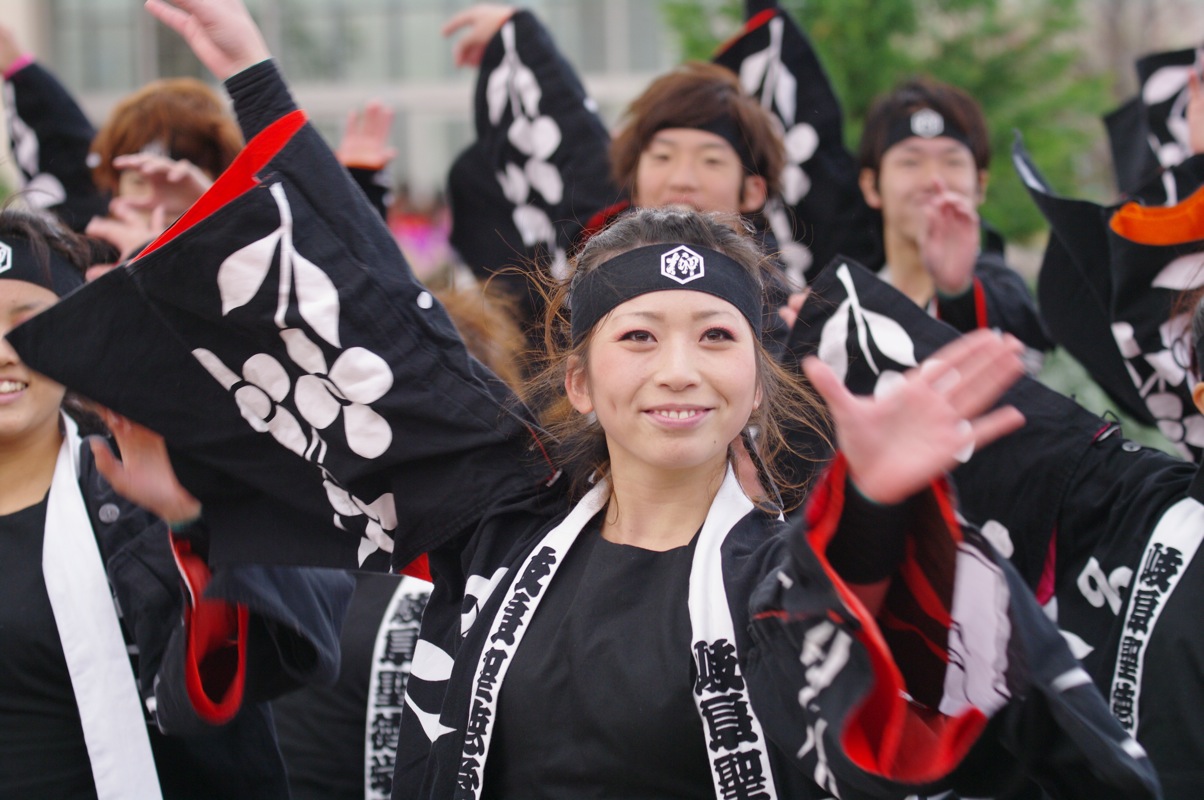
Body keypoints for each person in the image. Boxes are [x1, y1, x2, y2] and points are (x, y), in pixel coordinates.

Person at [11, 1, 1162, 797]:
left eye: (716, 334)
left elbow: (886, 700)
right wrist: (254, 73)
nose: (676, 366)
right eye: (638, 335)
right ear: (578, 375)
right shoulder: (499, 531)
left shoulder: (778, 566)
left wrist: (871, 506)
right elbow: (371, 310)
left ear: (756, 372)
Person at [0, 204, 354, 799]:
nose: (4, 352)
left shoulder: (136, 491)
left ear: (71, 340)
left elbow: (224, 683)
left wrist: (194, 521)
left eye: (25, 324)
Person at [854, 77, 1052, 359]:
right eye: (910, 162)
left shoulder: (1003, 294)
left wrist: (957, 294)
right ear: (871, 186)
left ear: (981, 185)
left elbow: (1025, 342)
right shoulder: (849, 308)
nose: (934, 180)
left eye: (953, 161)